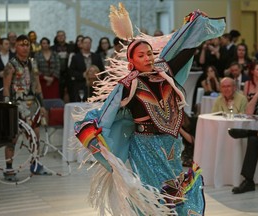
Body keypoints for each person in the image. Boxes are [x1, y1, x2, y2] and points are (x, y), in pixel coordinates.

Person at [74, 8, 225, 215]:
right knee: (153, 193)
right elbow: (107, 113)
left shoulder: (164, 72)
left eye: (149, 54)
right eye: (141, 55)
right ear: (131, 62)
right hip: (145, 146)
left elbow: (187, 49)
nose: (148, 58)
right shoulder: (129, 85)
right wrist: (91, 132)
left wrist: (194, 27)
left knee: (175, 190)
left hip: (170, 144)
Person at [2, 35, 48, 180]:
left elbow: (37, 85)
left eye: (27, 45)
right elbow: (6, 87)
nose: (25, 48)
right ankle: (9, 169)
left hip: (32, 104)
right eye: (22, 45)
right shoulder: (11, 65)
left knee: (35, 135)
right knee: (12, 138)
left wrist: (42, 105)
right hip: (16, 105)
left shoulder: (33, 63)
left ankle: (35, 164)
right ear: (16, 47)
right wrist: (8, 106)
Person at [68, 36, 104, 102]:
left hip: (95, 86)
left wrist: (97, 75)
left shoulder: (96, 56)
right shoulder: (76, 57)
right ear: (81, 44)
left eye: (89, 43)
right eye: (85, 43)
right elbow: (71, 72)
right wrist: (82, 75)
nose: (87, 44)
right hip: (81, 85)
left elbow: (102, 70)